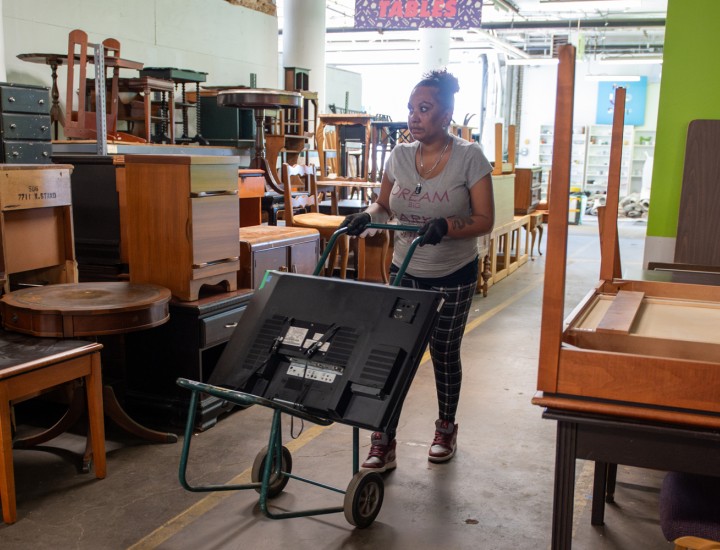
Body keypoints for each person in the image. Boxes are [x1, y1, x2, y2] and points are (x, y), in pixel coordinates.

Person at [340, 68, 495, 471]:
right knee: (393, 353)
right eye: (411, 109)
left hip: (453, 272)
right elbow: (385, 205)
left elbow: (484, 219)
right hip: (404, 268)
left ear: (446, 114)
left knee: (442, 351)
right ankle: (384, 437)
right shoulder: (400, 156)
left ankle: (445, 427)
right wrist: (366, 216)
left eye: (424, 109)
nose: (414, 116)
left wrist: (446, 225)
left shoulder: (469, 157)